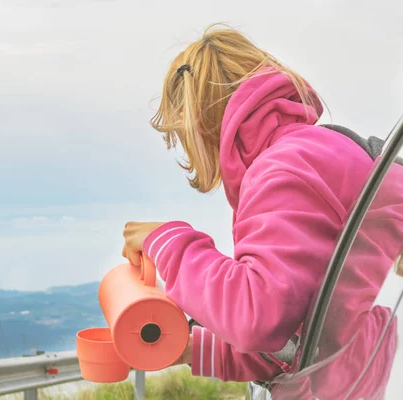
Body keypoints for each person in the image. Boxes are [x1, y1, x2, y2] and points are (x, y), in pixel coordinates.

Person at [121, 24, 403, 399]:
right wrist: (191, 348)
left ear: (198, 125)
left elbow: (257, 316)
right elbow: (308, 336)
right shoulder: (319, 154)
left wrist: (167, 241)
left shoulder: (284, 168)